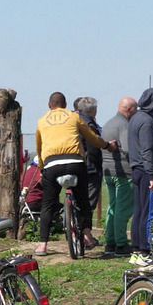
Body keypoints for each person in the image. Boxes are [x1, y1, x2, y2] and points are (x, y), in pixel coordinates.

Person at [34, 91, 114, 256]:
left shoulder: (41, 121)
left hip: (52, 165)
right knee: (83, 200)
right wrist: (107, 146)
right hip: (75, 163)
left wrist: (42, 168)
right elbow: (92, 137)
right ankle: (87, 235)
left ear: (50, 105)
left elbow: (39, 148)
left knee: (48, 204)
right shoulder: (74, 117)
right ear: (65, 104)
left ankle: (42, 245)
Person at [128, 88, 153, 267]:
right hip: (146, 172)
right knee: (148, 212)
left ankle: (136, 250)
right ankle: (144, 251)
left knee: (139, 211)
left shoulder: (135, 118)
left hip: (137, 169)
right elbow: (147, 150)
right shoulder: (146, 122)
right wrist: (152, 176)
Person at [100, 97, 138, 257]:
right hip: (123, 172)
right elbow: (129, 149)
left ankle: (110, 241)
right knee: (123, 209)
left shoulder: (108, 123)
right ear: (129, 109)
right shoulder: (124, 125)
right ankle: (121, 244)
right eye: (135, 109)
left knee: (113, 207)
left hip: (108, 171)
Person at [74, 97, 104, 217]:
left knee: (77, 199)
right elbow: (93, 148)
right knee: (89, 203)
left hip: (74, 163)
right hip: (89, 167)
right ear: (93, 110)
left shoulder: (73, 121)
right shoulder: (89, 125)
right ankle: (84, 230)